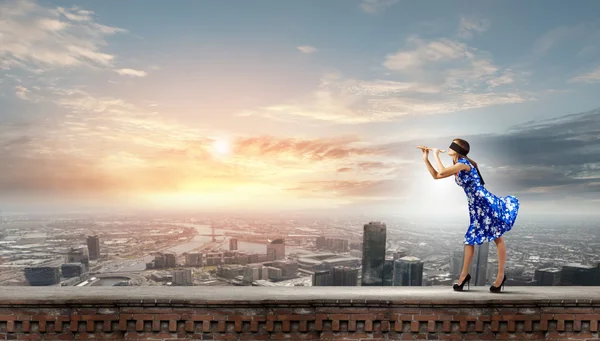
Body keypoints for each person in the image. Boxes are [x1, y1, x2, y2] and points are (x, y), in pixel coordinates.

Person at [419, 139, 519, 293]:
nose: (448, 147)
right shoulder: (458, 167)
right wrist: (426, 159)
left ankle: (499, 276)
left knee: (497, 236)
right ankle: (464, 276)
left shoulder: (463, 163)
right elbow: (437, 176)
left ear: (458, 150)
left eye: (452, 145)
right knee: (470, 239)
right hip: (475, 207)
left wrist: (435, 154)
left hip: (484, 203)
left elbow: (443, 171)